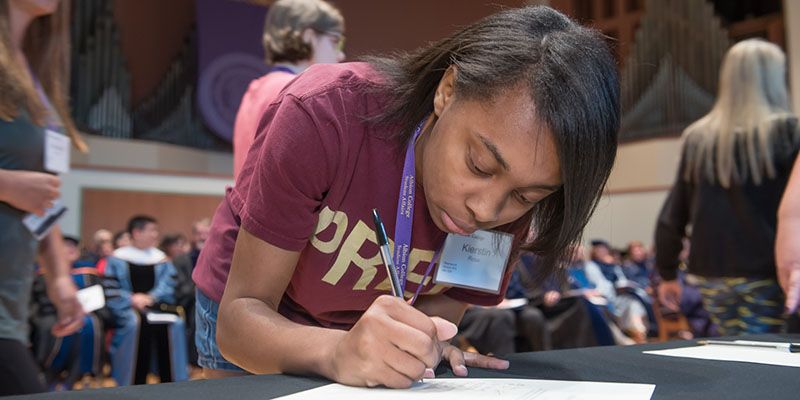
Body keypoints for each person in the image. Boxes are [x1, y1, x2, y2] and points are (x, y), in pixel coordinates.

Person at [193, 6, 619, 387]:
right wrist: (338, 351)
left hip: (359, 333)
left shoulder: (508, 197)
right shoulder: (324, 115)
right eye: (479, 165)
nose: (486, 211)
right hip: (255, 313)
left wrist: (423, 344)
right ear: (447, 91)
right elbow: (239, 322)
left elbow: (443, 311)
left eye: (525, 196)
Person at [656, 39, 800, 336]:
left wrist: (668, 273)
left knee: (735, 348)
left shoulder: (697, 137)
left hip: (711, 274)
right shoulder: (789, 132)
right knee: (764, 356)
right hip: (767, 272)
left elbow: (672, 215)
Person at [0, 0, 87, 395]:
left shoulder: (33, 70)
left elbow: (42, 195)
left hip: (12, 302)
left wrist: (58, 277)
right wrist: (5, 184)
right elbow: (22, 188)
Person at [233, 0, 345, 180]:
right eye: (335, 42)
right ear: (309, 37)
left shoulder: (256, 88)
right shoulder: (298, 93)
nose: (341, 55)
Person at [105, 215, 187, 384]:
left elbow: (169, 284)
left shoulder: (160, 259)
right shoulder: (117, 259)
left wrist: (151, 297)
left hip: (155, 305)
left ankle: (173, 383)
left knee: (175, 323)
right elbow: (110, 288)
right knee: (133, 323)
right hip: (127, 307)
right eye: (151, 230)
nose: (155, 235)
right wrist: (131, 299)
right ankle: (129, 383)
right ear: (136, 232)